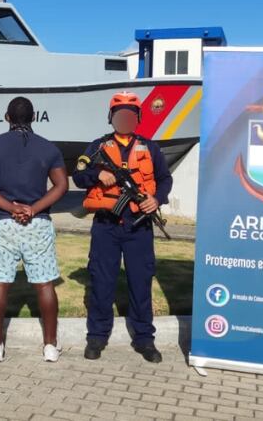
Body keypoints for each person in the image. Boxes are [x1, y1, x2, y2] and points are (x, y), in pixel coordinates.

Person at [72, 91, 173, 363]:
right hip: (106, 225)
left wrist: (157, 198)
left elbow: (164, 179)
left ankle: (144, 338)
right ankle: (97, 336)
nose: (124, 120)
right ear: (112, 118)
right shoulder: (97, 146)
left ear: (137, 119)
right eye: (119, 116)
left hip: (138, 227)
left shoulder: (150, 147)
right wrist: (97, 173)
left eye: (130, 116)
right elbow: (78, 175)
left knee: (140, 282)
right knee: (102, 281)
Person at [0, 97, 68, 363]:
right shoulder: (48, 148)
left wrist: (10, 207)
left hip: (3, 222)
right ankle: (50, 346)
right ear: (34, 117)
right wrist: (33, 209)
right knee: (45, 284)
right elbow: (61, 186)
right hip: (37, 224)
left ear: (7, 118)